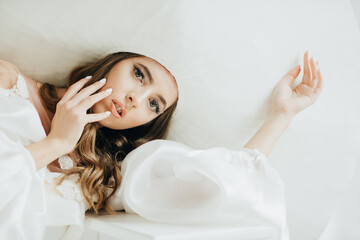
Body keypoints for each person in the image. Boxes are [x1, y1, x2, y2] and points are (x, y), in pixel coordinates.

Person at [0, 50, 322, 240]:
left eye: (154, 104)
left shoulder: (104, 176)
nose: (135, 99)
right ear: (113, 62)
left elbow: (218, 189)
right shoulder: (8, 83)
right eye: (138, 74)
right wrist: (56, 141)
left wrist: (281, 115)